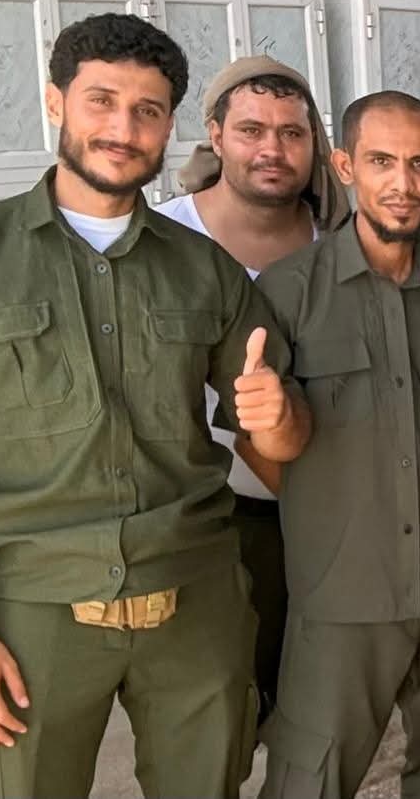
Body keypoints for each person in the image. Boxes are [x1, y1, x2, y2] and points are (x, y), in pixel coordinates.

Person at [0, 14, 309, 798]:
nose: (122, 128)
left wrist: (278, 417)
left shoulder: (204, 268)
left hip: (195, 595)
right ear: (55, 102)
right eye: (101, 100)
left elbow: (276, 441)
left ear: (169, 125)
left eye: (147, 110)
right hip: (32, 607)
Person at [252, 91, 420, 799]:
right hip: (341, 591)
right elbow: (258, 443)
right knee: (311, 772)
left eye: (419, 164)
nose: (402, 183)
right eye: (382, 161)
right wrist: (334, 514)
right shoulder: (290, 289)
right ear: (345, 166)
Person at [152, 54, 344, 717]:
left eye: (292, 132)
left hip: (323, 506)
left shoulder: (339, 242)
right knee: (216, 707)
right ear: (214, 134)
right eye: (251, 130)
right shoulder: (164, 239)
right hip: (206, 516)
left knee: (311, 697)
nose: (272, 149)